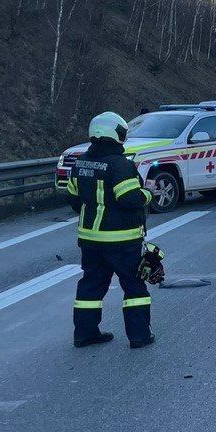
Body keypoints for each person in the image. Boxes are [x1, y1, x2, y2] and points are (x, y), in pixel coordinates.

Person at [64, 112, 156, 347]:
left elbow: (74, 200)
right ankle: (139, 336)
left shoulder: (80, 162)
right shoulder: (120, 165)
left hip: (89, 240)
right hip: (122, 240)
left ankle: (85, 334)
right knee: (134, 286)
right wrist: (147, 193)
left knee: (91, 286)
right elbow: (129, 199)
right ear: (116, 134)